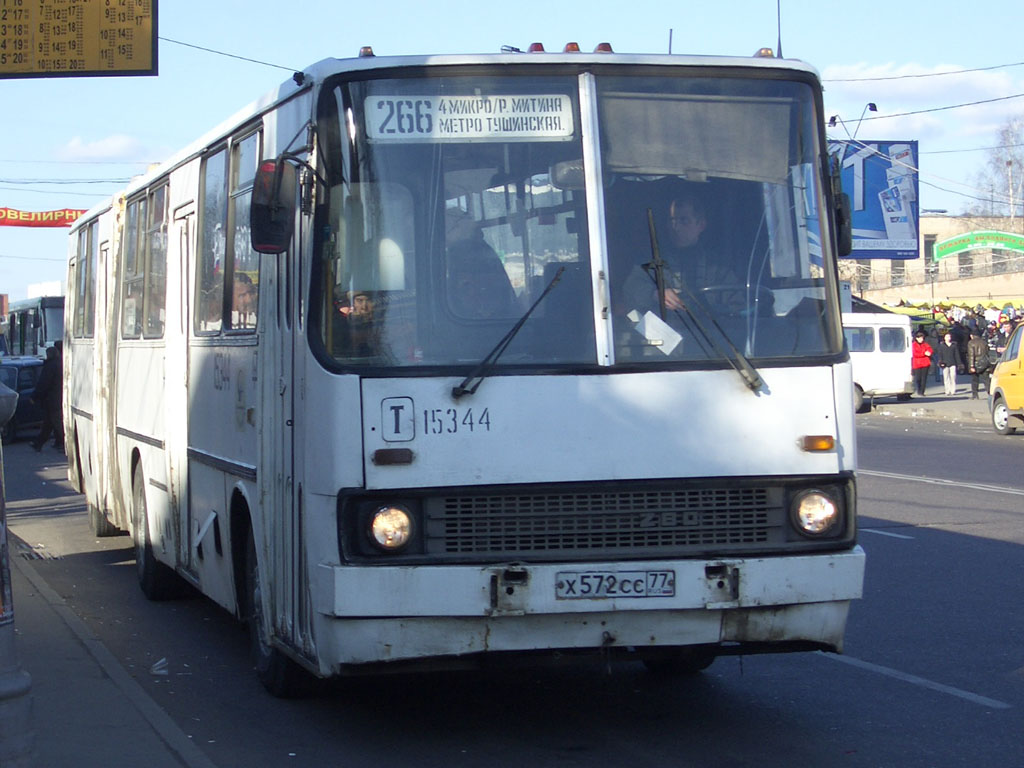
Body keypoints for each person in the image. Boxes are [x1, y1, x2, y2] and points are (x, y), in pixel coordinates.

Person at [621, 191, 736, 316]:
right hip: (664, 332)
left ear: (701, 225)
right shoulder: (653, 261)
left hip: (711, 333)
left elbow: (739, 305)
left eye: (684, 221)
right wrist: (655, 294)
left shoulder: (718, 266)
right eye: (672, 221)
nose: (676, 227)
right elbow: (629, 292)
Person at [31, 341, 64, 452]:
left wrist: (35, 397)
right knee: (49, 423)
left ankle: (65, 442)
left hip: (52, 400)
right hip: (57, 399)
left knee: (56, 423)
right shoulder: (60, 364)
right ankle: (38, 443)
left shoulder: (51, 366)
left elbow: (43, 383)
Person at [965, 329, 991, 400]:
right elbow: (987, 353)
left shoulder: (971, 343)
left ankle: (975, 394)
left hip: (976, 362)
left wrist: (971, 366)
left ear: (971, 335)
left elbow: (971, 355)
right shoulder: (984, 342)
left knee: (975, 380)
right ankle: (990, 393)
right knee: (986, 380)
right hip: (984, 362)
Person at [935, 331, 963, 396]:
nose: (948, 338)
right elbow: (940, 355)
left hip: (953, 363)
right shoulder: (941, 346)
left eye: (949, 336)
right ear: (944, 338)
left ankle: (953, 390)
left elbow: (957, 355)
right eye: (947, 336)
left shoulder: (954, 345)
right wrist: (940, 362)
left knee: (953, 377)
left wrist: (959, 363)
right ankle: (947, 390)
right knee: (946, 377)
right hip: (944, 363)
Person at [911, 329, 933, 397]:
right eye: (920, 338)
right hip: (917, 363)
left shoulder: (925, 344)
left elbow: (930, 349)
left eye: (922, 338)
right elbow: (915, 354)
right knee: (918, 378)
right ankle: (919, 389)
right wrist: (924, 353)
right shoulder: (913, 345)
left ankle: (922, 391)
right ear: (917, 338)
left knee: (924, 378)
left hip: (925, 363)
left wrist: (929, 352)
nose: (921, 339)